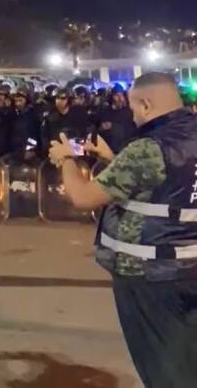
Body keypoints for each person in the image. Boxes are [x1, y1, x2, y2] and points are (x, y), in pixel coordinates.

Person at [47, 73, 197, 388]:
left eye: (134, 108)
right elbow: (167, 186)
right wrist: (113, 161)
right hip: (189, 267)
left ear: (146, 103)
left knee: (164, 368)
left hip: (150, 274)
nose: (132, 115)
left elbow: (83, 197)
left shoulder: (149, 146)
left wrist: (67, 160)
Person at [99, 88, 136, 154]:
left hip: (125, 148)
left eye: (121, 95)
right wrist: (102, 128)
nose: (120, 98)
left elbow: (131, 129)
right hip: (109, 148)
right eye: (117, 95)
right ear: (112, 97)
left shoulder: (129, 111)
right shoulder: (105, 111)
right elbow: (99, 130)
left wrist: (113, 126)